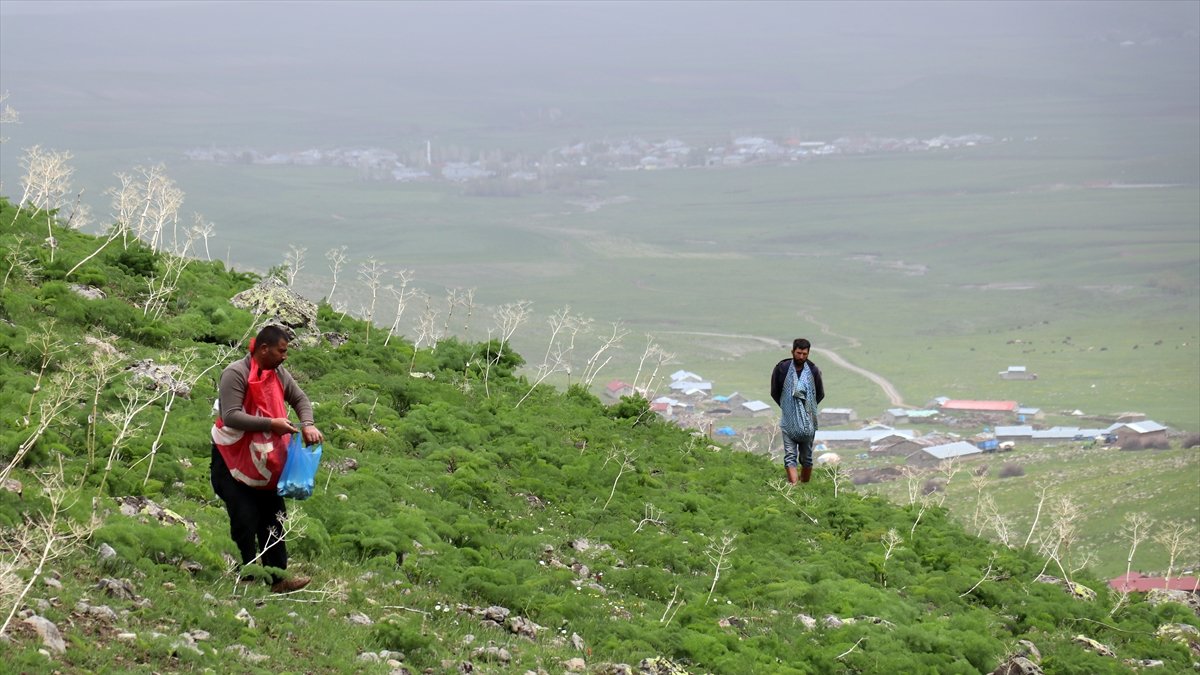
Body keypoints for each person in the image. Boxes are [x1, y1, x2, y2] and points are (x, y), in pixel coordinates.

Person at [211, 325, 324, 593]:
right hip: (231, 458)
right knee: (244, 516)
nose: (285, 356)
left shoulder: (278, 373)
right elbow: (231, 416)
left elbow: (300, 398)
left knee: (275, 518)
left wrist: (308, 424)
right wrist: (271, 424)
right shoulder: (235, 373)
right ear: (264, 349)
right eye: (281, 351)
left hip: (264, 461)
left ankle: (278, 579)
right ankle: (246, 576)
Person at [770, 338, 825, 484]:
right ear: (792, 352)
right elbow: (775, 391)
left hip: (807, 422)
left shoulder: (813, 371)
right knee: (790, 456)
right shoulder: (782, 369)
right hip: (789, 420)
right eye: (798, 353)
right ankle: (794, 488)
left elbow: (819, 393)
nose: (801, 357)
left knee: (806, 457)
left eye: (804, 354)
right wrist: (788, 407)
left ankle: (804, 485)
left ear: (808, 354)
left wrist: (805, 409)